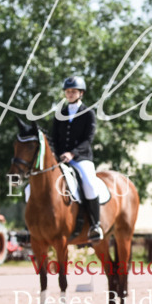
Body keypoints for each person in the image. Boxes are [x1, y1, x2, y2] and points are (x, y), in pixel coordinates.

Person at [51, 76, 103, 242]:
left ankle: (96, 225)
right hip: (60, 159)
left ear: (81, 93)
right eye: (68, 91)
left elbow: (88, 139)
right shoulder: (60, 114)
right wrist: (57, 154)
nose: (70, 94)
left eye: (73, 91)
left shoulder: (88, 114)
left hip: (81, 158)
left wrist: (72, 153)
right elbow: (54, 138)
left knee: (89, 183)